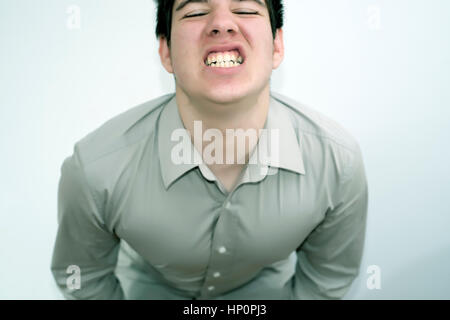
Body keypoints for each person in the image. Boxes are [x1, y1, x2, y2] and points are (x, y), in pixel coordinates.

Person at [51, 0, 369, 300]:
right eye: (195, 11)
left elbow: (327, 279)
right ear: (165, 51)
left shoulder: (337, 164)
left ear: (276, 45)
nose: (221, 23)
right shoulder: (94, 169)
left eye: (244, 8)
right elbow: (84, 277)